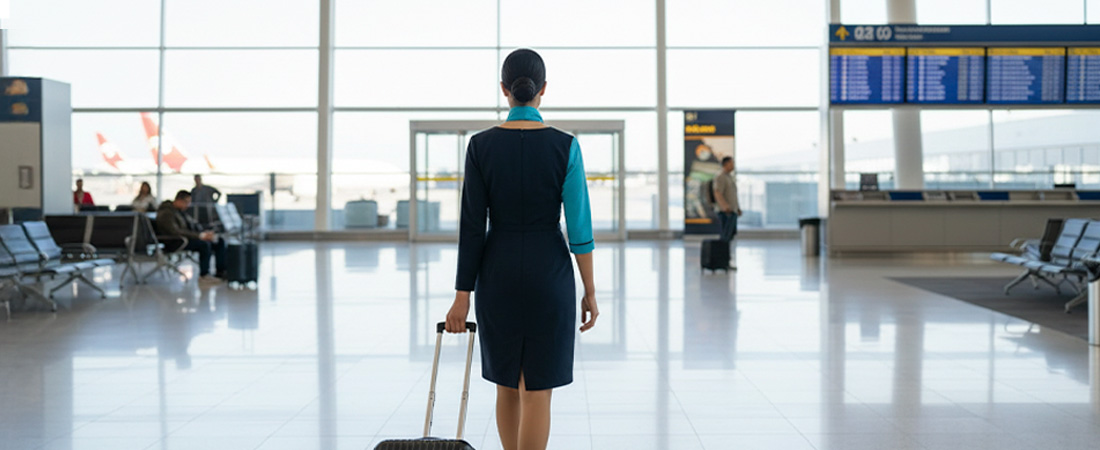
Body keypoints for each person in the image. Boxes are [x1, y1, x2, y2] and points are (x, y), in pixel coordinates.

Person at [445, 48, 598, 450]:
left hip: (498, 274)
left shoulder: (480, 146)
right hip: (550, 272)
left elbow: (472, 228)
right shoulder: (566, 147)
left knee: (506, 385)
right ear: (543, 90)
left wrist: (463, 296)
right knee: (538, 391)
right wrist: (590, 289)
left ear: (504, 90)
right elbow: (579, 227)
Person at [156, 190, 226, 283]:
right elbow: (175, 231)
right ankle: (204, 274)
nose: (188, 205)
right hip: (176, 241)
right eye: (186, 202)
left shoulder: (180, 212)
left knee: (219, 241)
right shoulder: (167, 213)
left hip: (186, 238)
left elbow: (192, 224)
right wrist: (200, 236)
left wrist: (204, 233)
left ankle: (221, 272)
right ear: (179, 200)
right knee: (204, 245)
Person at [713, 156, 741, 269]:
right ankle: (722, 262)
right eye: (731, 163)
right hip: (726, 212)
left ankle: (726, 261)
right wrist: (725, 207)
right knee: (725, 237)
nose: (733, 165)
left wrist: (737, 208)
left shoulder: (729, 177)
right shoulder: (720, 177)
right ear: (726, 164)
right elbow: (717, 193)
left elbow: (732, 194)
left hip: (732, 211)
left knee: (730, 236)